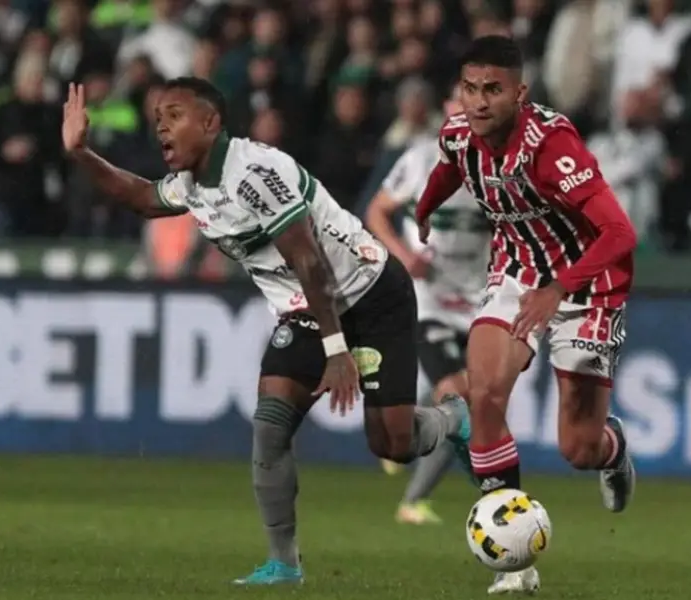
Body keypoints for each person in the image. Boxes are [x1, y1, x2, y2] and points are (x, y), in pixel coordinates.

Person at [60, 77, 472, 586]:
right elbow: (143, 198)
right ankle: (284, 564)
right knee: (270, 426)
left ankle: (453, 419)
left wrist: (337, 348)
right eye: (157, 117)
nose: (160, 125)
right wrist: (80, 153)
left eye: (174, 114)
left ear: (210, 123)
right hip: (306, 308)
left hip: (369, 294)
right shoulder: (193, 183)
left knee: (393, 442)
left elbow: (309, 258)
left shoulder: (254, 172)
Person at [414, 35, 638, 594]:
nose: (480, 101)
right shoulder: (459, 133)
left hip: (587, 282)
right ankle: (514, 563)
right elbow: (450, 166)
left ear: (520, 92)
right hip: (517, 272)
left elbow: (619, 232)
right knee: (485, 393)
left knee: (577, 448)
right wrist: (425, 207)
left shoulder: (552, 146)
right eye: (470, 88)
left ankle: (613, 449)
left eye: (493, 89)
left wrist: (560, 289)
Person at [364, 85, 487, 525]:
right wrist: (402, 255)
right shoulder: (419, 159)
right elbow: (377, 211)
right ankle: (413, 502)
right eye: (459, 105)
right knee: (460, 398)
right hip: (429, 299)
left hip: (480, 300)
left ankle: (400, 433)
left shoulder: (500, 167)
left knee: (466, 397)